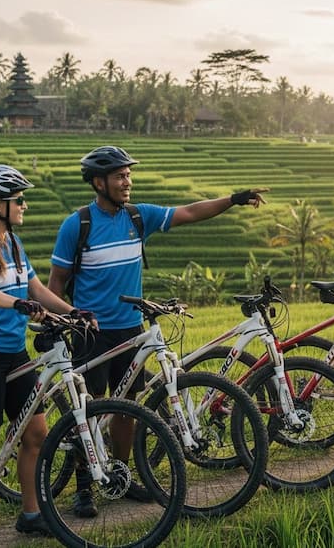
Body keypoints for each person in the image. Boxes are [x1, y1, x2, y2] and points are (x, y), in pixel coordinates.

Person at [48, 145, 268, 516]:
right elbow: (56, 281)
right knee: (89, 410)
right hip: (90, 333)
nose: (127, 181)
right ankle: (84, 486)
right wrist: (60, 322)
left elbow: (190, 212)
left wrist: (232, 200)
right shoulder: (78, 224)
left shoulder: (138, 217)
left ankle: (120, 476)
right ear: (99, 183)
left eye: (128, 175)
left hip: (130, 330)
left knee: (127, 409)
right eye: (120, 176)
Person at [0, 164, 94, 548]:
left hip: (15, 354)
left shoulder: (13, 244)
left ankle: (31, 514)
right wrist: (16, 303)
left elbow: (36, 289)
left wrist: (72, 311)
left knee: (35, 435)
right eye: (18, 200)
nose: (24, 205)